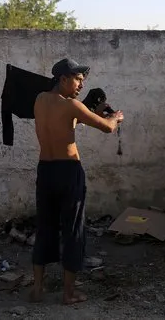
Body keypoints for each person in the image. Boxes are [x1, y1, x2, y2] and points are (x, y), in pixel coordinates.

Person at [30, 58, 124, 305]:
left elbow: (67, 120)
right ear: (63, 79)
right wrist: (115, 117)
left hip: (45, 170)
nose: (81, 85)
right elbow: (107, 128)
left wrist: (89, 111)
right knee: (73, 229)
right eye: (78, 80)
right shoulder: (72, 105)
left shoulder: (40, 100)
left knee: (45, 227)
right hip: (68, 171)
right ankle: (68, 294)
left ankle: (38, 289)